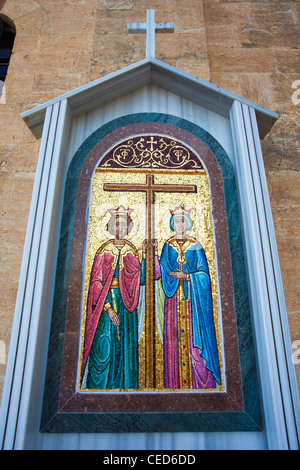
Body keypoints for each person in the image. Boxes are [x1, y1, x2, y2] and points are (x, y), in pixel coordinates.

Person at [81, 206, 144, 390]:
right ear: (110, 227)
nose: (120, 228)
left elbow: (140, 277)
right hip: (104, 306)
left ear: (129, 228)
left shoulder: (132, 251)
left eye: (124, 225)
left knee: (124, 348)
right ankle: (98, 390)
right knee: (104, 348)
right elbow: (96, 283)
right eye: (116, 224)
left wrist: (150, 258)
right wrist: (107, 308)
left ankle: (124, 387)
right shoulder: (103, 251)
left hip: (126, 307)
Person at [159, 205, 221, 389]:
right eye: (176, 221)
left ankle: (200, 384)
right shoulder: (167, 245)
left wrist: (187, 277)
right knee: (174, 340)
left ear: (188, 223)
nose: (179, 224)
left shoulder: (196, 245)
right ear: (172, 224)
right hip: (173, 301)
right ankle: (174, 384)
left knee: (195, 342)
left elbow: (204, 275)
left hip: (193, 303)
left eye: (183, 221)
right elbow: (161, 268)